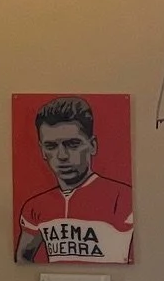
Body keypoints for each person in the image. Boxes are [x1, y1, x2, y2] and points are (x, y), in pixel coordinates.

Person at [16, 96, 134, 263]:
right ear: (42, 151)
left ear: (92, 145)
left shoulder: (123, 197)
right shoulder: (35, 207)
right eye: (51, 146)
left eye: (72, 144)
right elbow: (22, 258)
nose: (62, 156)